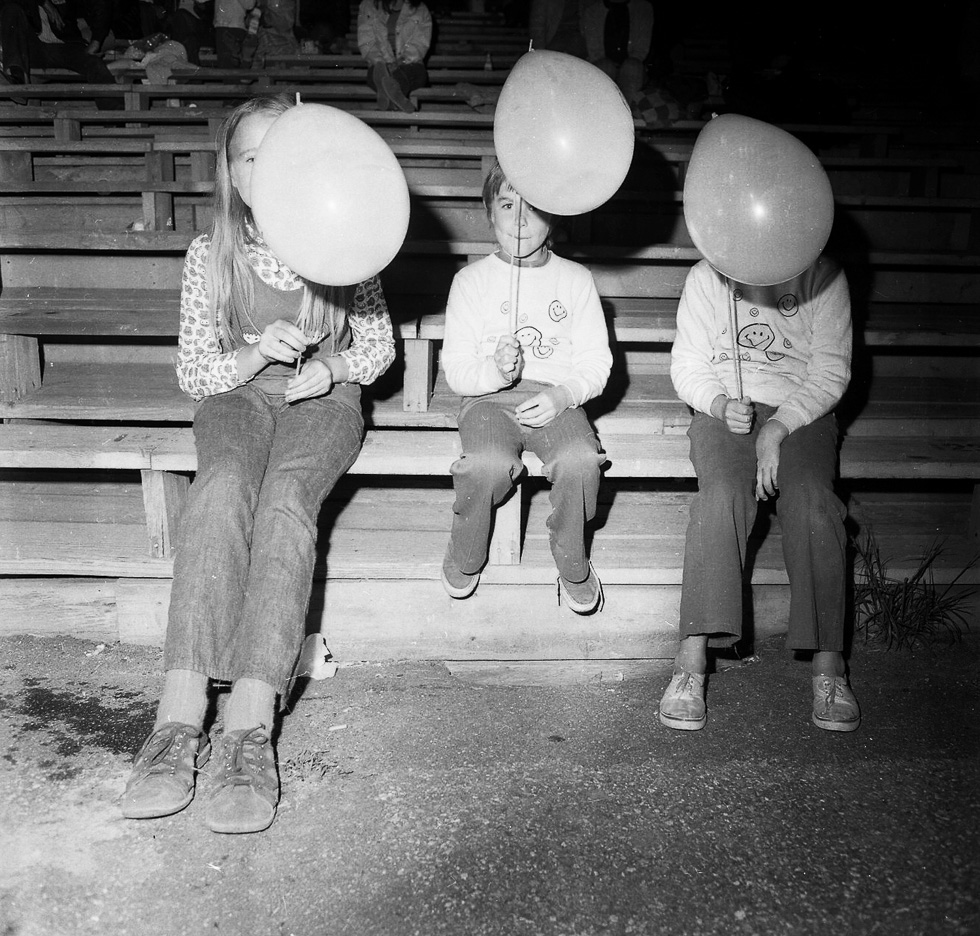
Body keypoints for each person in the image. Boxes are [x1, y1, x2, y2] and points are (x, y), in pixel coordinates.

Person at [119, 94, 396, 834]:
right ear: (233, 174)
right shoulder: (210, 255)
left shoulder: (347, 238)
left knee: (284, 503)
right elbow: (194, 372)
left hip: (320, 405)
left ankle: (247, 729)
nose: (266, 170)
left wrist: (333, 372)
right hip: (238, 397)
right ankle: (177, 720)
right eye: (251, 157)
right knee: (220, 491)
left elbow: (379, 350)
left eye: (283, 154)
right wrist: (249, 353)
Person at [661, 255, 860, 733]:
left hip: (800, 412)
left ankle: (830, 666)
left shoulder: (825, 272)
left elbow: (831, 370)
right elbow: (687, 363)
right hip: (725, 407)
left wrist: (778, 428)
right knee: (721, 495)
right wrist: (719, 403)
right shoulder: (706, 274)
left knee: (814, 500)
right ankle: (691, 663)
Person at [440, 161, 612, 615]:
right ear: (488, 213)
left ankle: (572, 559)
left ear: (554, 215)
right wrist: (495, 371)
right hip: (488, 402)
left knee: (579, 461)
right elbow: (456, 371)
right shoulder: (470, 281)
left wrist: (561, 396)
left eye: (533, 208)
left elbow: (598, 363)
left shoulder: (576, 280)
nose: (518, 220)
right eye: (506, 204)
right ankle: (466, 551)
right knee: (487, 465)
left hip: (556, 400)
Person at [0, 0, 123, 104]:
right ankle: (18, 80)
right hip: (33, 48)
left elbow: (100, 5)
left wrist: (96, 42)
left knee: (94, 64)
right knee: (11, 9)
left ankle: (117, 121)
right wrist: (44, 2)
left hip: (65, 45)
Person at [356, 0, 430, 114]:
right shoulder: (368, 5)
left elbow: (420, 42)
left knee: (416, 73)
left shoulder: (420, 9)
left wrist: (402, 61)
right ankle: (397, 100)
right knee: (377, 73)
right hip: (381, 61)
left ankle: (389, 100)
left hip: (409, 63)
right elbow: (366, 41)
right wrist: (382, 62)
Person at [579, 0, 653, 102]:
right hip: (603, 64)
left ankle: (628, 111)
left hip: (630, 67)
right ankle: (606, 110)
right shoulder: (592, 11)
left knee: (632, 68)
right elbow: (594, 51)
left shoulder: (642, 8)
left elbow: (641, 49)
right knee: (605, 67)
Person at [212, 0, 256, 66]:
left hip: (234, 27)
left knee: (230, 64)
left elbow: (249, 4)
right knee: (227, 65)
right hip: (224, 26)